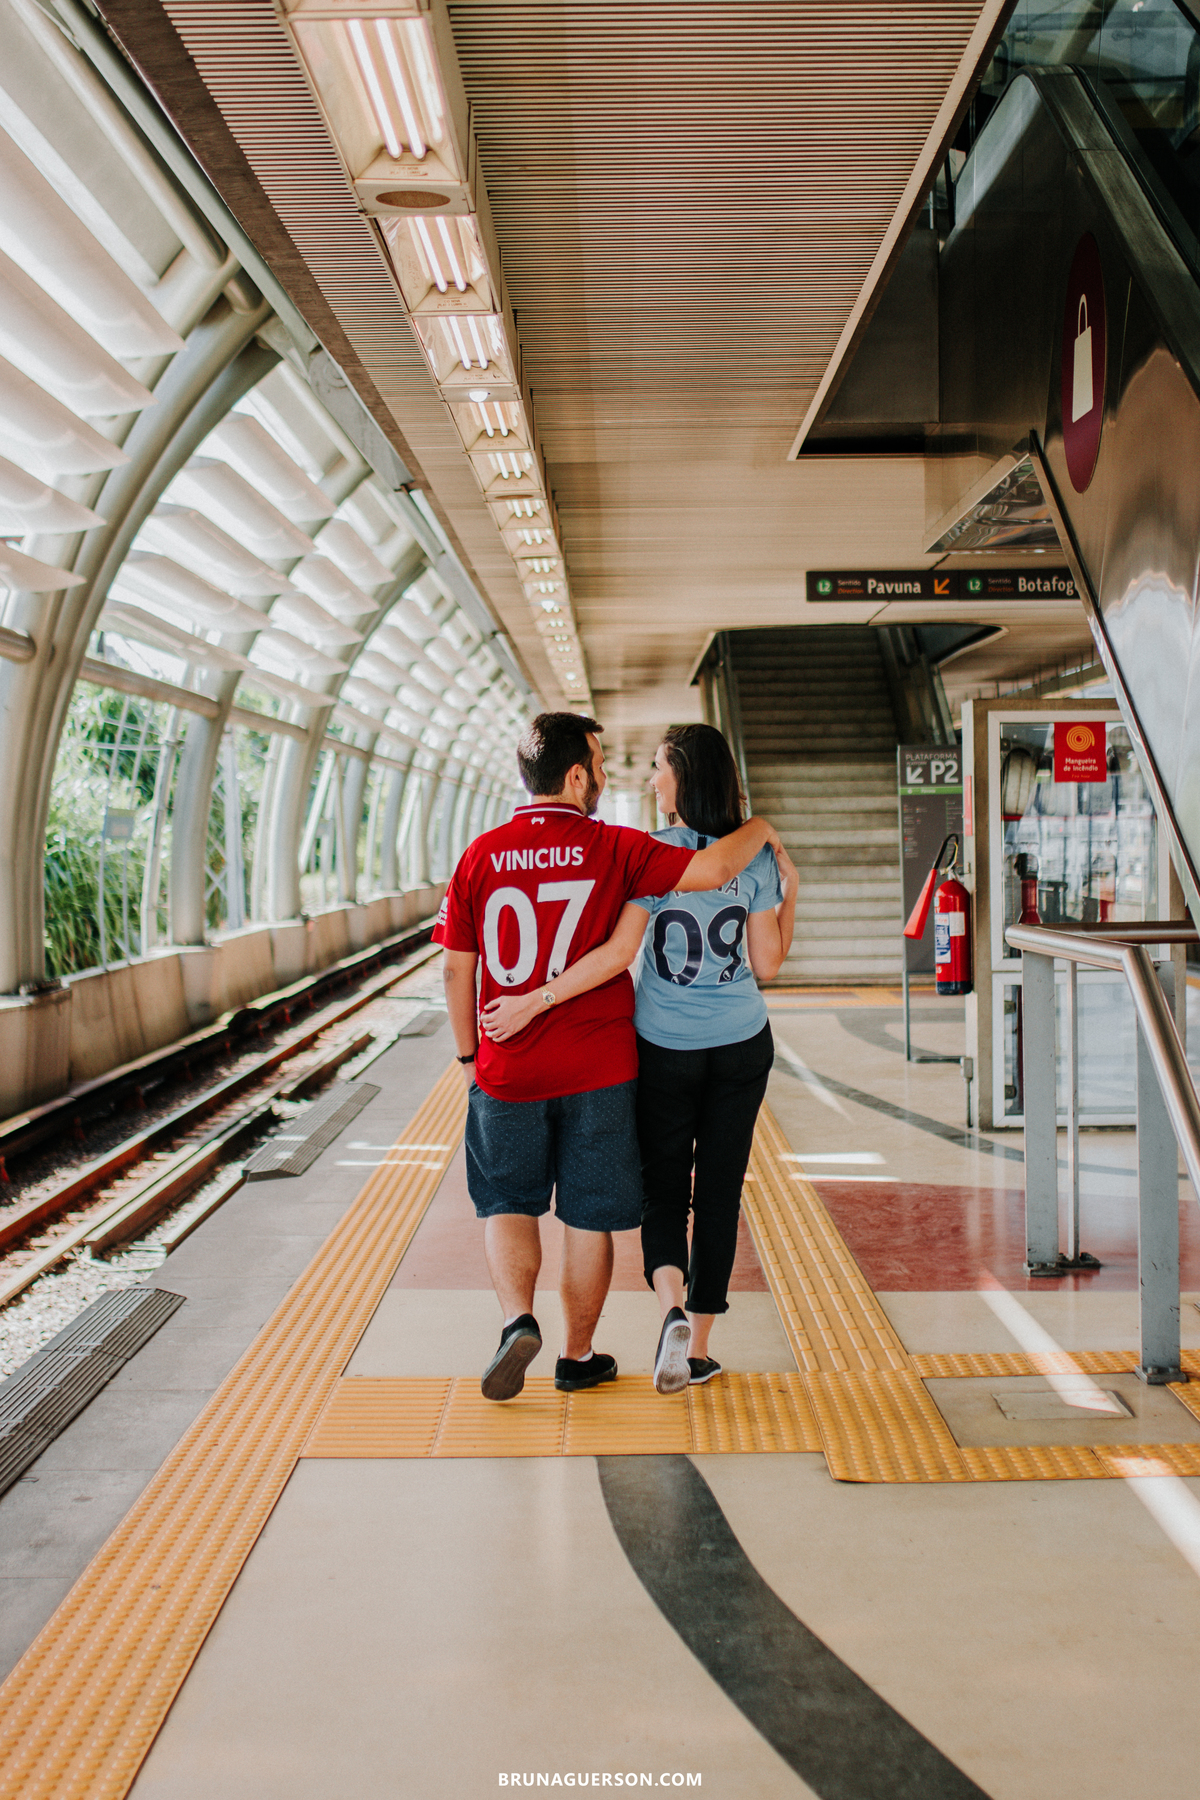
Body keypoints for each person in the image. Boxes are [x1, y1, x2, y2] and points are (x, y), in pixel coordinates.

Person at [434, 712, 784, 1403]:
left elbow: (456, 970)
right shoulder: (618, 847)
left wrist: (471, 1059)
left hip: (517, 1066)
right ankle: (577, 1355)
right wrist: (765, 827)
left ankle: (516, 1322)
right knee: (592, 1214)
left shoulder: (479, 854)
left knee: (509, 1200)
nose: (608, 777)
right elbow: (721, 879)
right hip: (603, 1066)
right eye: (598, 766)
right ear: (573, 775)